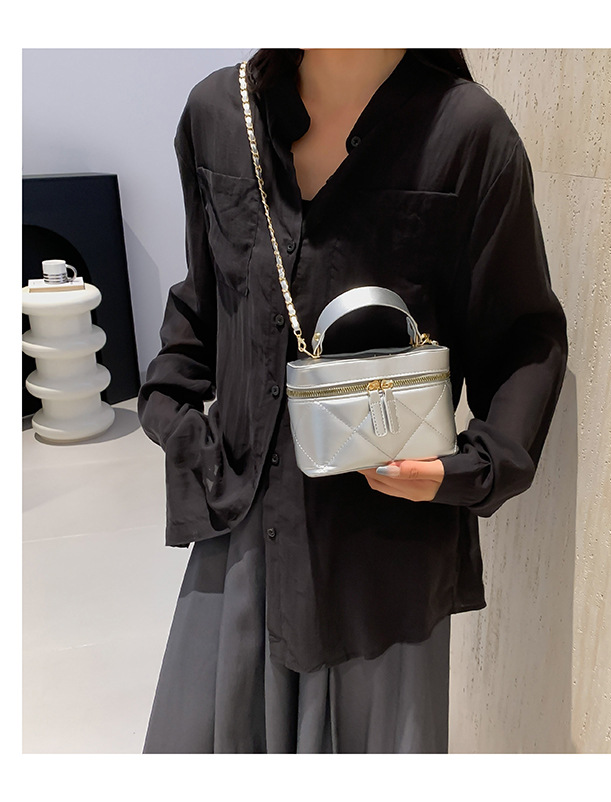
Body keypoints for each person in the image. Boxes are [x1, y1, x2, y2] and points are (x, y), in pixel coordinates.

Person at [137, 48, 568, 753]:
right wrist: (171, 409)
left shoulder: (467, 135)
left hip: (384, 548)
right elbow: (208, 290)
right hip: (242, 526)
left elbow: (524, 335)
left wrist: (471, 468)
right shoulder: (220, 114)